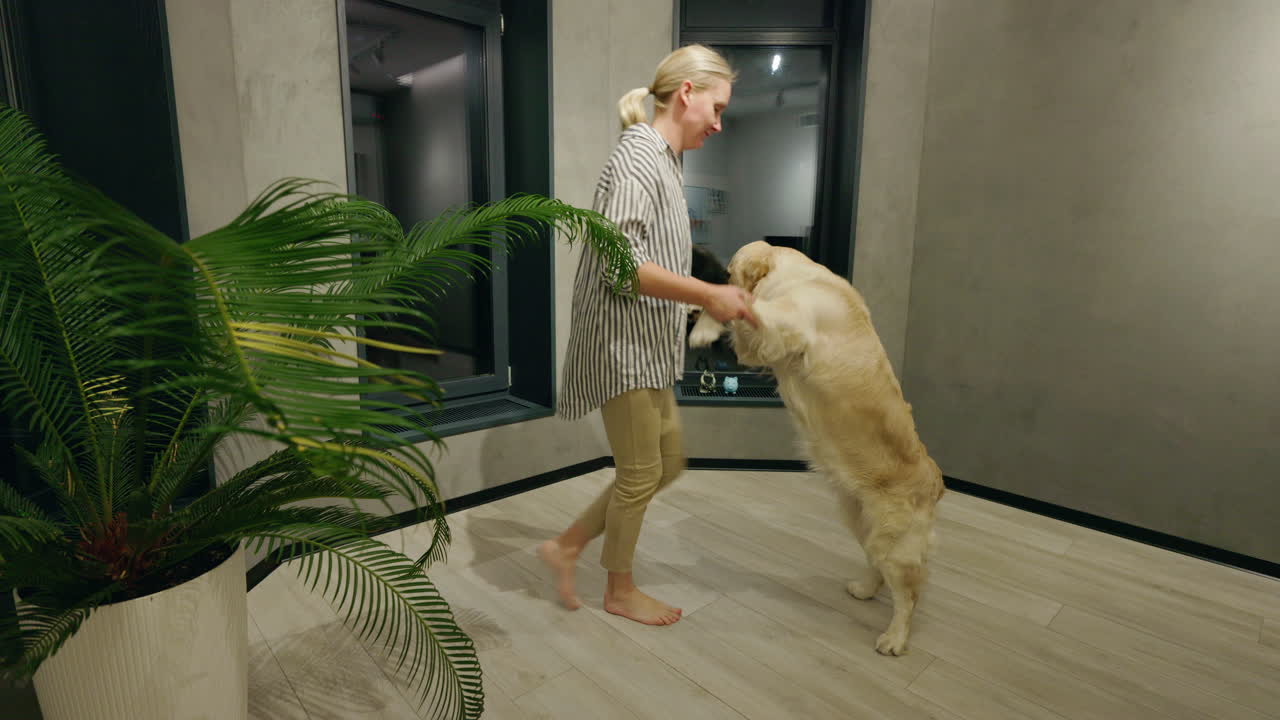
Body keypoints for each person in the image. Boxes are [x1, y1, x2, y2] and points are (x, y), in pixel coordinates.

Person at [540, 44, 756, 626]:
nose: (718, 122)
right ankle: (619, 589)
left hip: (647, 348)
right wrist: (708, 295)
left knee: (669, 463)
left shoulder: (664, 159)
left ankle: (565, 546)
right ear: (687, 93)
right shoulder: (638, 155)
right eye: (717, 106)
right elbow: (621, 265)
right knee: (640, 472)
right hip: (623, 347)